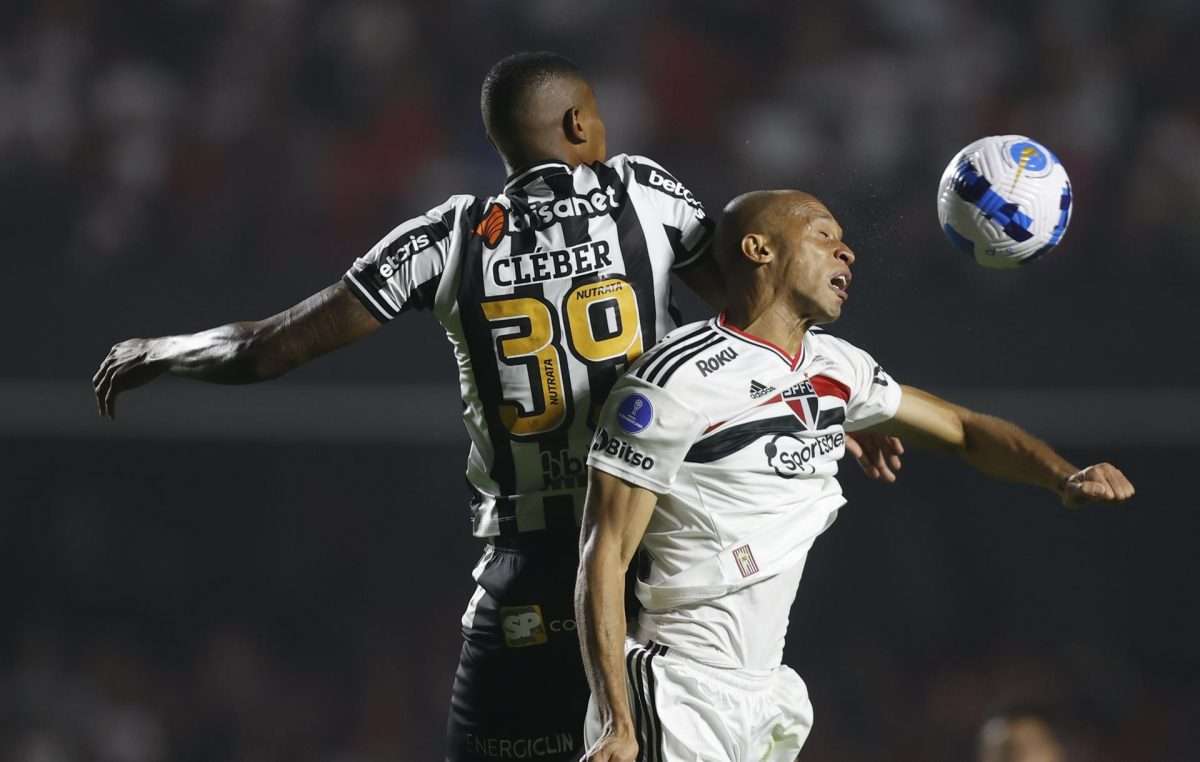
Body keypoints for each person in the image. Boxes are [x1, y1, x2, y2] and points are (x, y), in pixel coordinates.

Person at [90, 53, 900, 760]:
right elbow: (751, 310)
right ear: (581, 122)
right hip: (645, 570)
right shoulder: (640, 194)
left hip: (525, 568)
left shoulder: (447, 236)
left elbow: (266, 347)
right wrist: (818, 406)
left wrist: (159, 351)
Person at [575, 190, 1135, 761]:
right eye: (823, 235)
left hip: (768, 693)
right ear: (757, 248)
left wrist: (1062, 476)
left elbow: (963, 430)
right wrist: (617, 721)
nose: (847, 253)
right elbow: (604, 554)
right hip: (679, 687)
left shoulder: (836, 366)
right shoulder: (673, 381)